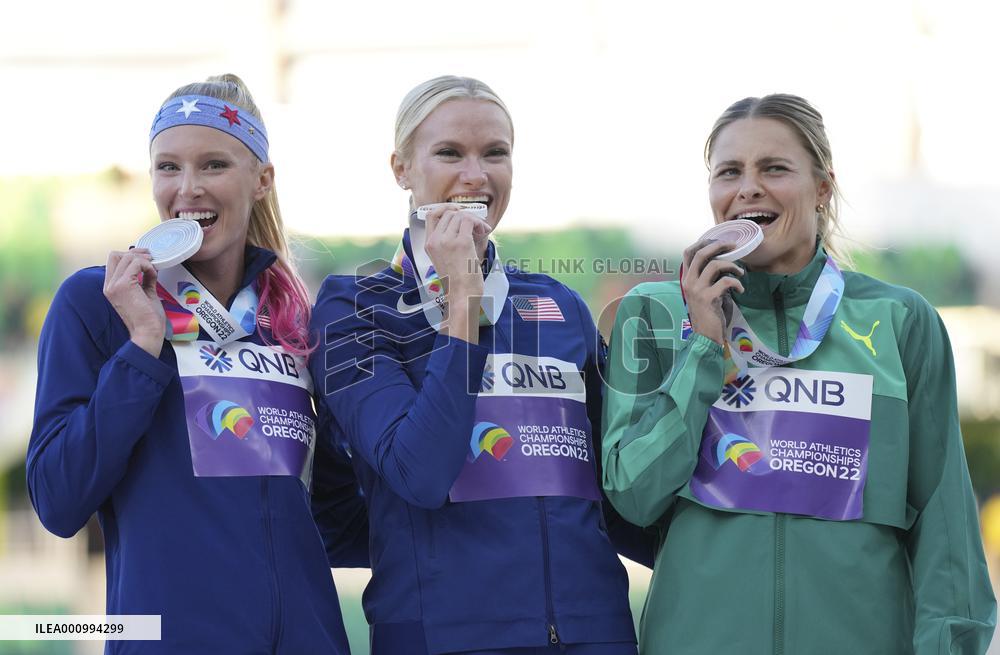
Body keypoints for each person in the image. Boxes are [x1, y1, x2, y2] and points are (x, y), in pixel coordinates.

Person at [602, 93, 997, 654]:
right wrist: (704, 350)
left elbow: (947, 533)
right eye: (729, 172)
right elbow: (633, 496)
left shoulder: (899, 320)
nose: (748, 188)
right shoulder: (656, 314)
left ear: (823, 188)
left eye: (775, 168)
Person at [310, 75, 650, 655]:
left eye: (496, 153)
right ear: (401, 168)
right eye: (449, 153)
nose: (476, 175)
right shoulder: (353, 308)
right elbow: (418, 474)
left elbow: (613, 491)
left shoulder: (561, 306)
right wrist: (461, 303)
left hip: (594, 633)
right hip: (443, 638)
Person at [27, 74, 366, 654]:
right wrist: (140, 348)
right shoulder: (98, 303)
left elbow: (331, 519)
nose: (188, 188)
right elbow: (59, 499)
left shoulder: (291, 319)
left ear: (262, 181)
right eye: (168, 167)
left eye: (213, 165)